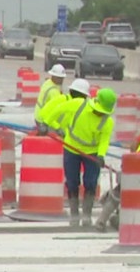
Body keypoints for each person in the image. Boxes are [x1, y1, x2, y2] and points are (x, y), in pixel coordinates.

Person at [48, 87, 116, 227]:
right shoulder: (79, 105)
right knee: (72, 181)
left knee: (90, 183)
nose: (100, 114)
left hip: (92, 153)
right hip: (71, 147)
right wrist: (47, 123)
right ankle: (74, 214)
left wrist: (101, 156)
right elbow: (58, 110)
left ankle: (86, 215)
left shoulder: (107, 122)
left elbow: (104, 140)